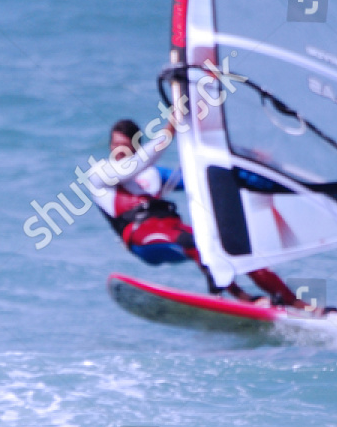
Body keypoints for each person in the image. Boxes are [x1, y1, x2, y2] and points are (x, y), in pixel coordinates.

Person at [84, 116, 306, 307]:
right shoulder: (100, 173)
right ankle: (239, 297)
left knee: (234, 246)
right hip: (142, 238)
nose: (119, 152)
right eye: (115, 146)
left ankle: (296, 302)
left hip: (171, 226)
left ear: (137, 147)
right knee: (194, 243)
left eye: (125, 147)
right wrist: (171, 125)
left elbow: (203, 178)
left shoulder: (154, 174)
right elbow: (131, 168)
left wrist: (248, 161)